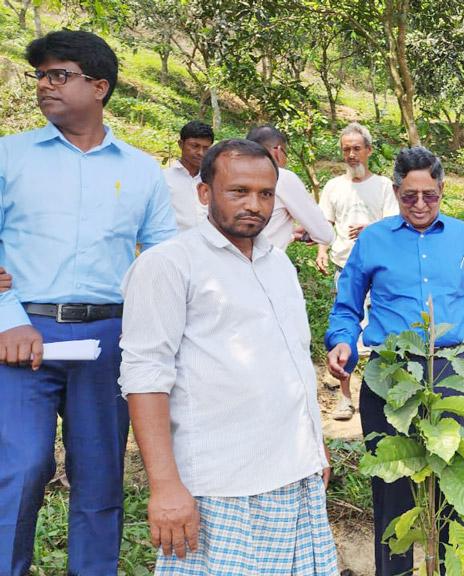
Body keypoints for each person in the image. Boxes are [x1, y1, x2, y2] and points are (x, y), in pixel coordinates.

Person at [0, 30, 177, 575]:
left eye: (59, 74)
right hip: (22, 337)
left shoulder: (143, 170)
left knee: (100, 474)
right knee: (21, 468)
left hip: (108, 340)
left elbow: (164, 260)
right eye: (41, 76)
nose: (44, 86)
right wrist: (8, 321)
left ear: (99, 87)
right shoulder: (9, 156)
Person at [118, 139, 338, 575]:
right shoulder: (169, 265)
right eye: (238, 191)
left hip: (294, 476)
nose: (254, 205)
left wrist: (315, 448)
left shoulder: (280, 265)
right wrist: (164, 488)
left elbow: (292, 360)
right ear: (205, 194)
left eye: (266, 194)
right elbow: (145, 377)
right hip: (219, 487)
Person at [324, 146, 464, 576]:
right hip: (390, 376)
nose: (420, 205)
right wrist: (342, 341)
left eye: (429, 195)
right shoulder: (373, 239)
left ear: (442, 191)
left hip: (454, 376)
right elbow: (346, 306)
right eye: (409, 196)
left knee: (454, 497)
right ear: (395, 191)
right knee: (394, 496)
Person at [316, 122, 399, 421]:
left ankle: (383, 394)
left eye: (356, 148)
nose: (351, 154)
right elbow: (325, 222)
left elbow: (395, 225)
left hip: (380, 272)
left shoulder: (385, 187)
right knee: (344, 332)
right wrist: (322, 250)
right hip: (345, 267)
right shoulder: (334, 187)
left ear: (369, 150)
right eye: (346, 149)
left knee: (383, 333)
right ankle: (345, 397)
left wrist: (371, 229)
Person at [246, 124, 334, 250]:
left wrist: (290, 234)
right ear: (277, 151)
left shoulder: (230, 175)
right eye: (285, 154)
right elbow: (325, 235)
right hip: (262, 264)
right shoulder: (282, 177)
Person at [164, 120, 214, 231]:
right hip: (174, 244)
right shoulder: (164, 179)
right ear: (181, 144)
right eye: (195, 146)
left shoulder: (212, 180)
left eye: (206, 148)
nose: (201, 153)